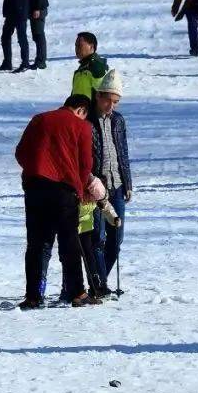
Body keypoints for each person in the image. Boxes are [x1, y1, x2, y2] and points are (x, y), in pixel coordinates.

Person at [15, 94, 95, 309]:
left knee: (36, 244)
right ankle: (77, 292)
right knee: (69, 243)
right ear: (81, 110)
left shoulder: (39, 119)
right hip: (64, 191)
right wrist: (80, 187)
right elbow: (85, 163)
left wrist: (33, 172)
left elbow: (21, 153)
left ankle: (33, 296)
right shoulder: (82, 127)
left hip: (35, 188)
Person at [89, 70, 131, 294]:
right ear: (99, 96)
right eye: (108, 100)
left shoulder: (118, 120)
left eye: (115, 102)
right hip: (96, 187)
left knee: (117, 239)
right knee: (98, 237)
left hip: (117, 185)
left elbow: (123, 153)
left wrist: (128, 182)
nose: (111, 106)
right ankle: (99, 285)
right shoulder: (87, 120)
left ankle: (98, 280)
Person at [72, 32, 109, 101]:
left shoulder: (97, 67)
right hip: (80, 110)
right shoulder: (84, 66)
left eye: (79, 46)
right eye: (76, 46)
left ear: (91, 46)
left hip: (89, 111)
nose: (76, 49)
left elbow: (104, 96)